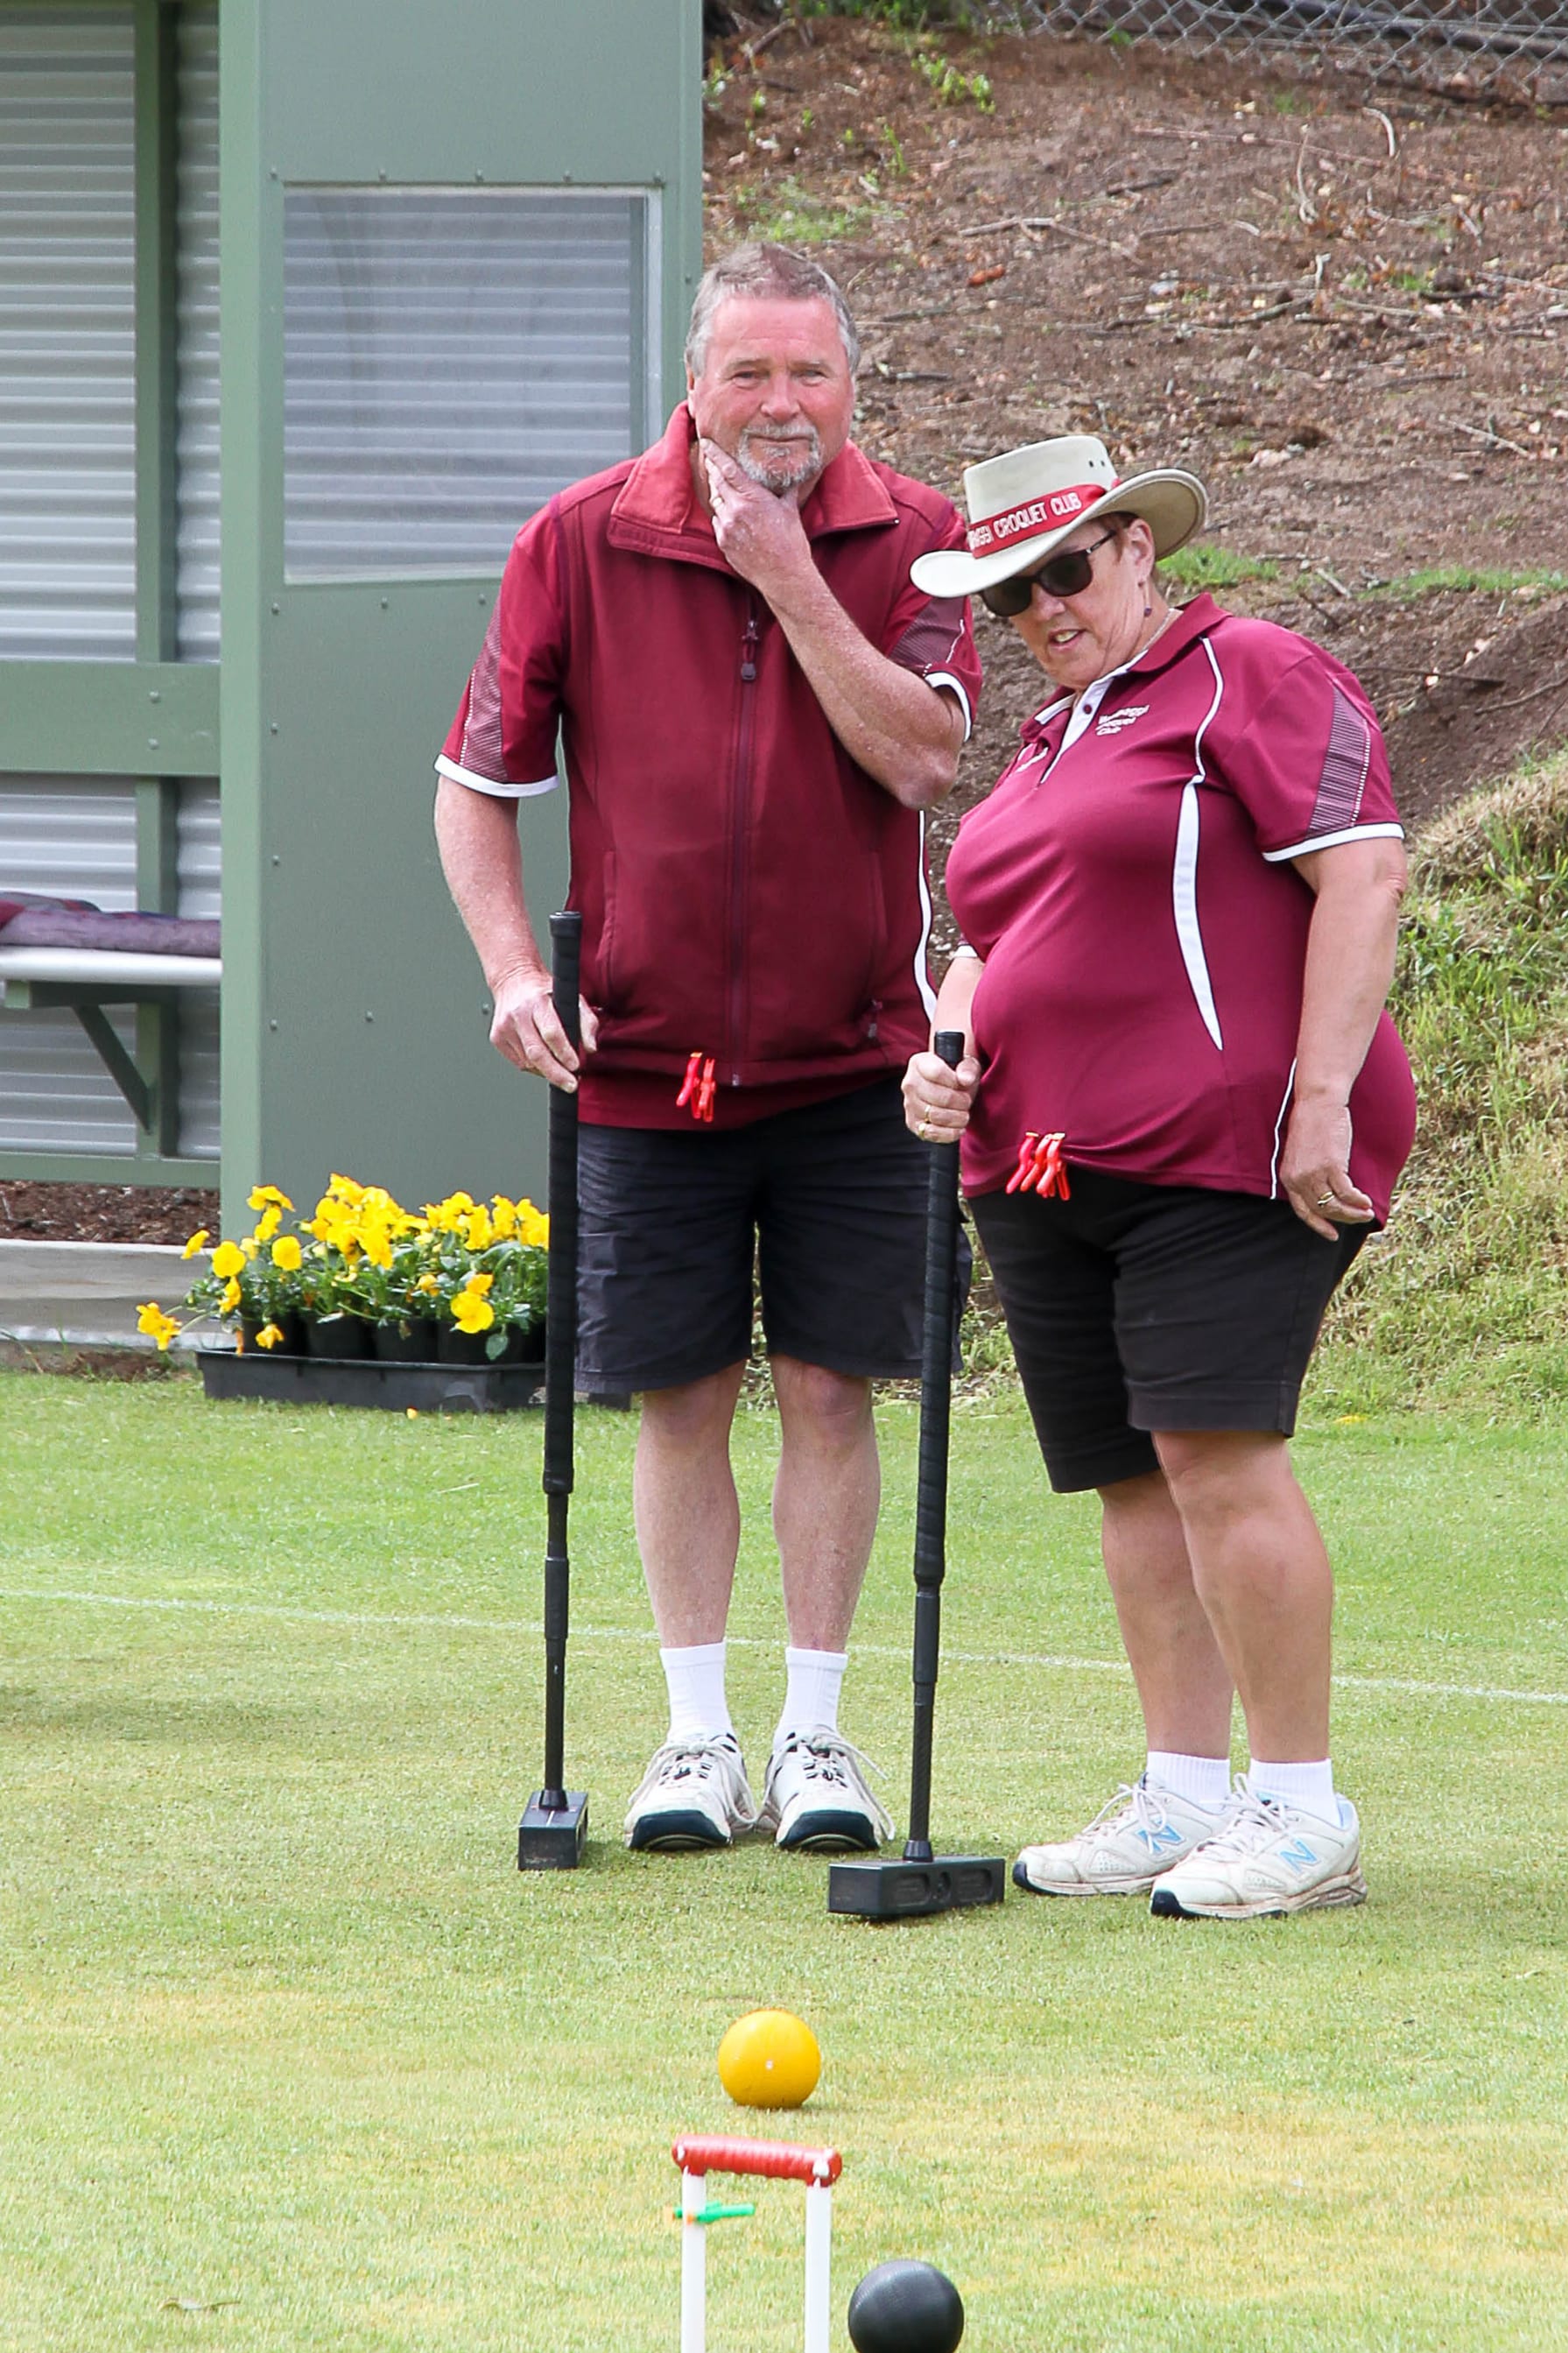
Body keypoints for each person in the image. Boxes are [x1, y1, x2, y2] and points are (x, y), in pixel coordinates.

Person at [436, 244, 980, 1856]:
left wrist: (789, 573)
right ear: (694, 382)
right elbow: (477, 782)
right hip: (646, 1064)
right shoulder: (582, 535)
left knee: (830, 1385)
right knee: (678, 1395)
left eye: (810, 372)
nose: (781, 405)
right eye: (749, 372)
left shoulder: (921, 538)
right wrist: (511, 966)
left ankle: (816, 1738)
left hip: (859, 1060)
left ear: (853, 383)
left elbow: (924, 760)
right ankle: (694, 1739)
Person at [902, 435, 1414, 1920]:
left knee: (1215, 1452)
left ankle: (1302, 1811)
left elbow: (1363, 869)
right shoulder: (1056, 738)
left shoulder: (1247, 670)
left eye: (1065, 570)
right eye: (1011, 594)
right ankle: (1186, 1791)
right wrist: (945, 1045)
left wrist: (1319, 1096)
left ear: (1137, 550)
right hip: (1048, 1163)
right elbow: (996, 938)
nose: (1044, 608)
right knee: (1130, 1480)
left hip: (1227, 1150)